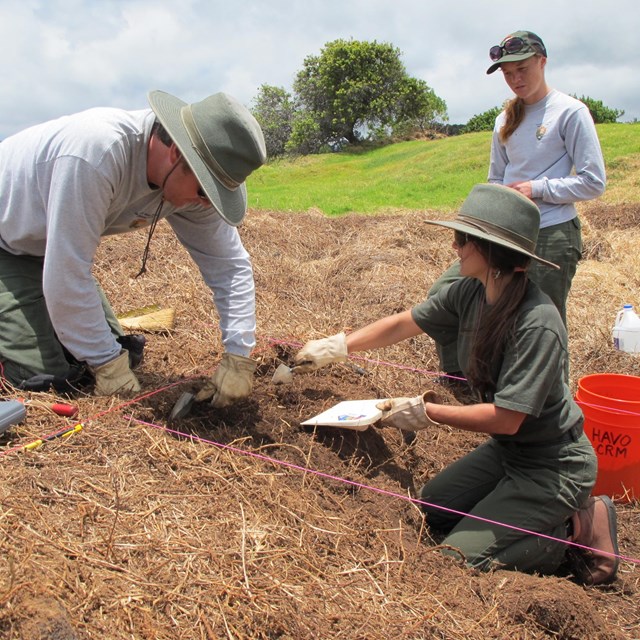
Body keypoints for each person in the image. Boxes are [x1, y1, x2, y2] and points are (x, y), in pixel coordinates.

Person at [293, 183, 618, 585]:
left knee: (455, 559)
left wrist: (425, 412)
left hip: (553, 464)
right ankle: (508, 511)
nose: (455, 245)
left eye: (465, 238)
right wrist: (338, 346)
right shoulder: (470, 292)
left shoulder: (538, 322)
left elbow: (507, 418)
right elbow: (405, 322)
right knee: (430, 508)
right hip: (508, 454)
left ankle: (572, 531)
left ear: (492, 250)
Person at [0, 90, 266, 406]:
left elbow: (229, 267)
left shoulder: (191, 186)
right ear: (176, 156)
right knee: (46, 377)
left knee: (123, 352)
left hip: (45, 247)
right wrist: (108, 366)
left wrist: (238, 354)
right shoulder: (96, 154)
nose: (205, 203)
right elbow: (67, 274)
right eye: (205, 191)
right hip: (6, 244)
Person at [430, 30, 606, 384]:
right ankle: (461, 378)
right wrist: (481, 224)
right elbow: (496, 179)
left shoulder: (569, 113)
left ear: (543, 61)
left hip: (551, 233)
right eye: (508, 74)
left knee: (541, 321)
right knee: (446, 294)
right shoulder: (503, 121)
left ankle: (549, 410)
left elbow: (593, 181)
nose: (515, 79)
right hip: (503, 234)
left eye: (522, 69)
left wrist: (536, 189)